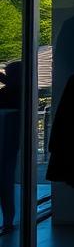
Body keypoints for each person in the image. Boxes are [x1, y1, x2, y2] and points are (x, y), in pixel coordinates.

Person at [0, 60, 22, 236]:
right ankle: (8, 219)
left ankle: (8, 219)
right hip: (10, 143)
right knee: (7, 178)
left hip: (6, 141)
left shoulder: (9, 94)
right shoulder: (21, 94)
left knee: (6, 178)